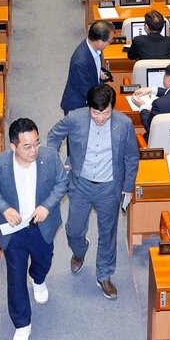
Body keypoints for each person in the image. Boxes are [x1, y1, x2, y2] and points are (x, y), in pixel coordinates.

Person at [47, 83, 138, 300]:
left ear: (112, 109)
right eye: (95, 112)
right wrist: (57, 165)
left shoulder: (124, 124)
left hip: (109, 187)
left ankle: (104, 275)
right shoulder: (75, 117)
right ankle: (79, 251)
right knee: (74, 230)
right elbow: (53, 136)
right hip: (80, 185)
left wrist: (128, 187)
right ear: (88, 106)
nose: (99, 118)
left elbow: (131, 157)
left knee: (108, 233)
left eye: (105, 113)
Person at [0, 117, 68, 340]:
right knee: (15, 276)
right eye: (27, 146)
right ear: (13, 147)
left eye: (36, 143)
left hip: (42, 224)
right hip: (14, 231)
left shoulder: (50, 157)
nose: (34, 151)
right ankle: (22, 324)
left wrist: (47, 206)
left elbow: (62, 183)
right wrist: (5, 208)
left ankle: (38, 279)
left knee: (43, 261)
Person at [60, 20, 113, 115]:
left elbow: (93, 67)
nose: (110, 43)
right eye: (110, 41)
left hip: (88, 97)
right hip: (78, 107)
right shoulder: (80, 61)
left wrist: (100, 74)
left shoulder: (95, 49)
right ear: (100, 41)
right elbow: (87, 92)